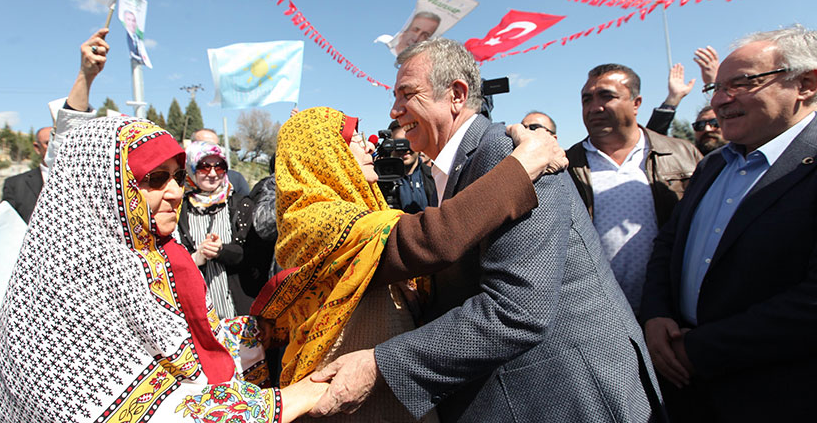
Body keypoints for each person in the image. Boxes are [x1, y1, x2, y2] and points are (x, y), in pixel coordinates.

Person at [0, 27, 328, 423]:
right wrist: (291, 400)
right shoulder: (70, 289)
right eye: (154, 180)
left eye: (179, 177)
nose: (177, 193)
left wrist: (254, 329)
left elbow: (179, 349)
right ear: (108, 190)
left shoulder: (146, 250)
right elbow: (136, 411)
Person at [306, 38, 664, 422]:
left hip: (566, 398)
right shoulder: (458, 167)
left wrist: (380, 365)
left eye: (408, 94)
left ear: (457, 95)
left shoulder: (504, 154)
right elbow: (436, 242)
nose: (395, 110)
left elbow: (516, 309)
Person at [252, 105, 565, 422]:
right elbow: (432, 239)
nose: (370, 145)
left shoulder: (362, 215)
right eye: (354, 138)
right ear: (324, 155)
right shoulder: (316, 222)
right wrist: (522, 166)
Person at [640, 25, 817, 422]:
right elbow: (668, 245)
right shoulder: (713, 165)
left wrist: (699, 349)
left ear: (805, 84)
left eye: (740, 84)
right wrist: (655, 316)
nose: (720, 101)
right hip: (688, 387)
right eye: (715, 89)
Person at [567, 63, 702, 314]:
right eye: (587, 99)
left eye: (607, 96)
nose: (595, 107)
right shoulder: (564, 167)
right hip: (598, 316)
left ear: (636, 103)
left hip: (674, 311)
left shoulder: (684, 155)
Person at [175, 141, 257, 318]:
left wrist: (222, 251)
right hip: (196, 315)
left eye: (219, 167)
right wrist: (197, 258)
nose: (212, 174)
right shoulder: (178, 210)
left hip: (239, 316)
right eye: (204, 167)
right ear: (191, 168)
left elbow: (254, 257)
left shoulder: (241, 204)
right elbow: (171, 261)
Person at [1, 126, 52, 222]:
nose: (56, 147)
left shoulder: (84, 181)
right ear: (37, 148)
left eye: (60, 142)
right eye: (48, 143)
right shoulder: (15, 185)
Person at [388, 120, 437, 213]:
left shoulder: (434, 175)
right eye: (398, 143)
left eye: (408, 142)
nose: (404, 149)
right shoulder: (381, 181)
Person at [191, 128, 251, 196]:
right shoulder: (179, 183)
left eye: (215, 146)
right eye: (204, 145)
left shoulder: (235, 180)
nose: (211, 150)